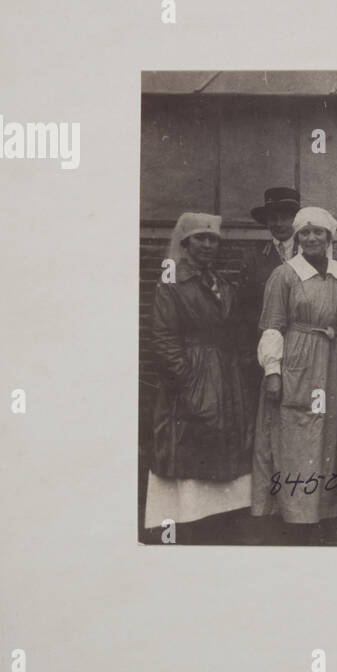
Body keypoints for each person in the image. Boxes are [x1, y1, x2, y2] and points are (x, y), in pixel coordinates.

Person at [144, 212, 253, 542]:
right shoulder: (172, 282)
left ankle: (213, 524)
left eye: (213, 240)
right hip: (191, 376)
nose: (207, 245)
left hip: (223, 375)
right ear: (185, 243)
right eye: (200, 239)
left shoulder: (219, 282)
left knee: (222, 452)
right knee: (188, 447)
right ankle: (185, 523)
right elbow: (163, 339)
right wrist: (187, 382)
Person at [251, 206, 337, 535]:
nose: (312, 237)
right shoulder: (285, 274)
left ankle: (323, 511)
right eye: (305, 232)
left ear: (330, 236)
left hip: (331, 363)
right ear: (298, 237)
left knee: (327, 435)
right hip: (297, 360)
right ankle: (295, 515)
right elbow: (273, 326)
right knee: (296, 435)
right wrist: (273, 371)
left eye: (319, 231)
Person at [237, 187, 301, 398]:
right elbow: (245, 309)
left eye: (286, 217)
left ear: (295, 219)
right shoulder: (255, 257)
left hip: (302, 342)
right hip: (266, 343)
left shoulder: (309, 251)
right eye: (273, 218)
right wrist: (248, 351)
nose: (279, 224)